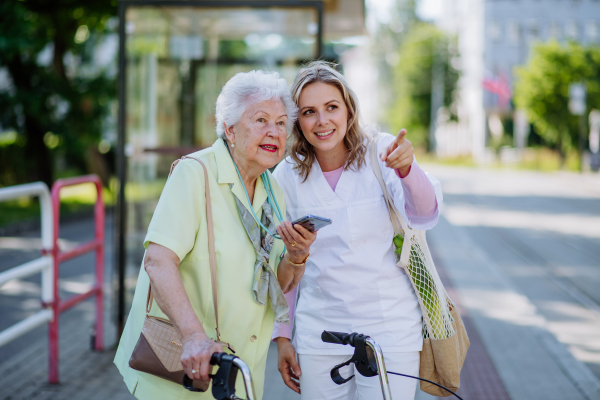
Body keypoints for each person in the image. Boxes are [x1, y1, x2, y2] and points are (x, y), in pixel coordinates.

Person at [114, 70, 316, 400]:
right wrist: (194, 335)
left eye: (281, 123)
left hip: (241, 369)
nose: (273, 131)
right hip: (189, 362)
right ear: (229, 129)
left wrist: (297, 257)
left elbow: (277, 284)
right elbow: (158, 260)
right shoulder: (196, 173)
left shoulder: (274, 190)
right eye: (261, 119)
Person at [272, 61, 443, 400]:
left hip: (389, 326)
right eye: (309, 111)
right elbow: (282, 269)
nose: (322, 121)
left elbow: (424, 215)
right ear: (297, 121)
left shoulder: (382, 152)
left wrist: (407, 170)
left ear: (349, 110)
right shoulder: (286, 176)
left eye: (332, 107)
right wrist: (283, 338)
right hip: (319, 331)